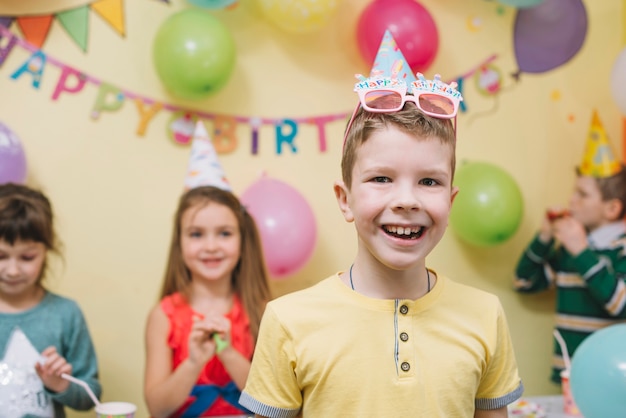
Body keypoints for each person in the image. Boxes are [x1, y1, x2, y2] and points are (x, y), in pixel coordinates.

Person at [239, 30, 523, 418]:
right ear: (345, 199)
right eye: (381, 178)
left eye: (429, 181)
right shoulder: (288, 320)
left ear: (450, 200)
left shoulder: (485, 314)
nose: (406, 200)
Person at [144, 121, 272, 418]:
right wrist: (193, 362)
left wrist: (227, 352)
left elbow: (272, 404)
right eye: (197, 234)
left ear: (243, 240)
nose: (211, 246)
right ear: (180, 242)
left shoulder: (262, 310)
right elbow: (157, 409)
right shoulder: (164, 316)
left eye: (224, 233)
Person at [514, 110, 626, 384]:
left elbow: (621, 304)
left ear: (612, 208)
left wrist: (582, 252)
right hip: (570, 374)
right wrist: (543, 238)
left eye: (583, 194)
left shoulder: (620, 248)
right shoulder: (568, 251)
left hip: (613, 376)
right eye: (574, 191)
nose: (571, 200)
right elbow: (524, 282)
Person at [0, 182, 101, 418]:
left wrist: (61, 385)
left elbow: (91, 394)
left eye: (27, 257)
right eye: (1, 256)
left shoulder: (65, 314)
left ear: (48, 250)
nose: (13, 270)